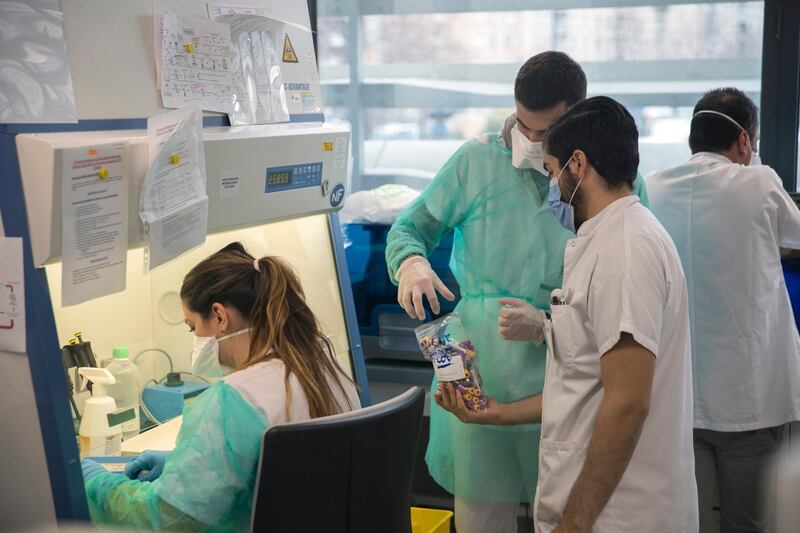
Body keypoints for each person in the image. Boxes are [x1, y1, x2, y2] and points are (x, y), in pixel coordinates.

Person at [386, 51, 649, 531]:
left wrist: (544, 325)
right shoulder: (475, 161)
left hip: (563, 374)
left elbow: (619, 296)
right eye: (522, 126)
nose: (529, 142)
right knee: (481, 515)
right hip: (479, 370)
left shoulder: (611, 185)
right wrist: (411, 263)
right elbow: (411, 227)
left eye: (544, 132)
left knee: (566, 509)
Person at [436, 96, 698, 532]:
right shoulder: (601, 240)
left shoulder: (626, 250)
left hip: (618, 515)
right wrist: (494, 412)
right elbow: (581, 386)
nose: (552, 186)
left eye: (553, 171)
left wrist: (574, 524)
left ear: (578, 165)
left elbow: (626, 404)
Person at [80, 243, 360, 531]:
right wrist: (182, 463)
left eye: (192, 327)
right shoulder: (323, 359)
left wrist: (98, 484)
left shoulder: (234, 398)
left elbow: (167, 518)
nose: (194, 337)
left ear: (219, 317)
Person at [645, 87, 800, 532]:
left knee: (681, 520)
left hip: (676, 397)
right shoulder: (760, 181)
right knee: (746, 523)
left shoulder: (653, 187)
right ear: (745, 142)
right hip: (747, 397)